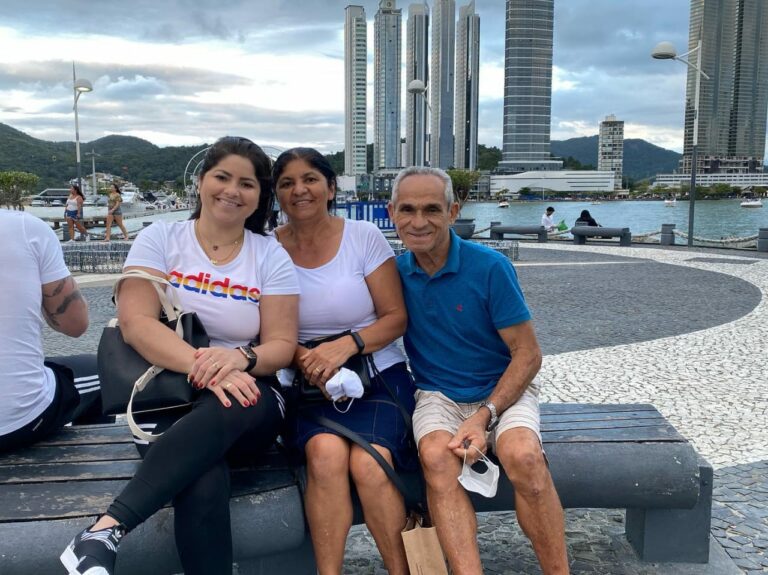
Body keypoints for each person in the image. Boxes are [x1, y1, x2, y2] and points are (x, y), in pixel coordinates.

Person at [60, 137, 300, 575]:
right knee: (202, 480)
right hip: (166, 394)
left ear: (259, 195)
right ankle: (100, 539)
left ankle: (104, 530)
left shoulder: (269, 254)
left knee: (237, 398)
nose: (232, 191)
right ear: (201, 180)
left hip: (251, 397)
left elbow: (282, 345)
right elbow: (136, 322)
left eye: (247, 183)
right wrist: (204, 366)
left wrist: (240, 360)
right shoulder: (161, 238)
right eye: (222, 177)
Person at [388, 166, 569, 575]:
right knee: (436, 458)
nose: (418, 222)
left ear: (453, 212)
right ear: (392, 212)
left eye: (432, 209)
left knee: (523, 457)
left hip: (502, 388)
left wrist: (485, 414)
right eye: (407, 209)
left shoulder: (489, 267)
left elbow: (528, 354)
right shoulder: (394, 274)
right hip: (438, 394)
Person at [272, 147, 414, 575]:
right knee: (325, 453)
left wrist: (348, 344)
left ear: (331, 188)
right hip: (307, 382)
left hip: (376, 372)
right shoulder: (266, 247)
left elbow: (396, 318)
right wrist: (303, 356)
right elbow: (261, 327)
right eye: (287, 183)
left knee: (371, 463)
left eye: (310, 179)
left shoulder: (363, 236)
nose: (299, 190)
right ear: (276, 194)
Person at [0, 209, 104, 454]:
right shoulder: (26, 229)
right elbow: (75, 325)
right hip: (17, 425)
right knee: (102, 372)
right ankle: (85, 467)